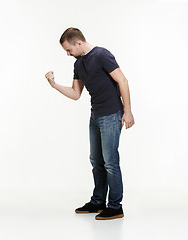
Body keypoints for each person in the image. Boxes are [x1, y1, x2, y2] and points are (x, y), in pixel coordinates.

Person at [45, 27, 134, 220]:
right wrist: (54, 84)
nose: (68, 54)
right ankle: (98, 201)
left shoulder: (102, 55)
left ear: (78, 42)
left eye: (69, 50)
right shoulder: (78, 64)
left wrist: (127, 111)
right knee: (96, 161)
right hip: (95, 116)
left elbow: (123, 81)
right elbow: (76, 94)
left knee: (110, 162)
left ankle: (115, 206)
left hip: (111, 115)